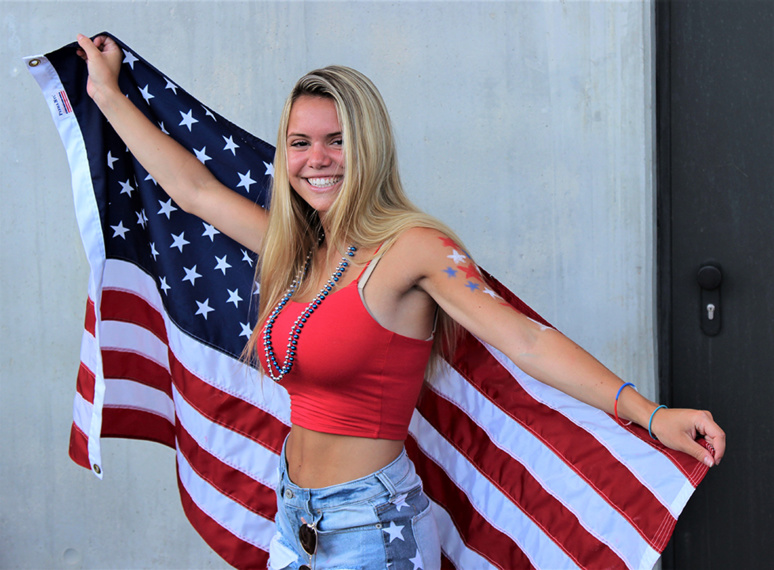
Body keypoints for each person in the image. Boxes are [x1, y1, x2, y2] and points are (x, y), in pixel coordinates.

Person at [76, 33, 726, 570]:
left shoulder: (415, 249)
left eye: (336, 140)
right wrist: (105, 92)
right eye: (299, 143)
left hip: (370, 529)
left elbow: (524, 339)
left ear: (369, 146)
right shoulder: (294, 249)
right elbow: (193, 189)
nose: (316, 159)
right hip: (293, 519)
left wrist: (648, 412)